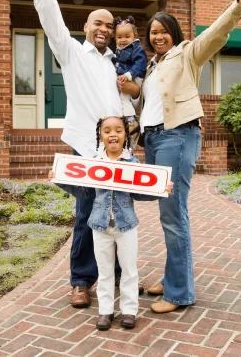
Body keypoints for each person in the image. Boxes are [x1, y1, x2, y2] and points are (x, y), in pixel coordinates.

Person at [120, 0, 241, 314]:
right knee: (167, 213)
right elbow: (147, 105)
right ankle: (172, 277)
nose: (158, 37)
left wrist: (240, 3)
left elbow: (217, 34)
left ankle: (180, 293)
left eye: (164, 31)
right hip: (153, 139)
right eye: (153, 33)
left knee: (173, 214)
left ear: (174, 33)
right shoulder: (152, 66)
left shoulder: (188, 53)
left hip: (177, 136)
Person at [34, 0, 139, 309]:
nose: (105, 29)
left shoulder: (116, 63)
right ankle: (81, 280)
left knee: (120, 211)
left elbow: (127, 102)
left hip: (119, 148)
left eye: (110, 26)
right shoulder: (72, 53)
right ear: (85, 27)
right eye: (98, 23)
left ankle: (120, 275)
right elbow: (49, 15)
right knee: (87, 213)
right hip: (87, 145)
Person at [50, 116, 173, 330]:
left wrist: (160, 191)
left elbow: (140, 193)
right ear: (101, 136)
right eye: (107, 131)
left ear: (125, 135)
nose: (112, 134)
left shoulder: (132, 164)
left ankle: (129, 311)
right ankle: (105, 312)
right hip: (100, 226)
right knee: (105, 271)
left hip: (126, 226)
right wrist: (59, 179)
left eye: (118, 130)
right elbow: (83, 192)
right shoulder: (94, 163)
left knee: (129, 270)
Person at [112, 16, 148, 149]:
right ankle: (129, 121)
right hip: (127, 77)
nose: (123, 40)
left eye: (127, 36)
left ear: (134, 36)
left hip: (135, 77)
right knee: (122, 100)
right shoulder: (118, 50)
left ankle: (132, 121)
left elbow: (140, 65)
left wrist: (128, 75)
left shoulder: (136, 48)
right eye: (119, 37)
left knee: (123, 99)